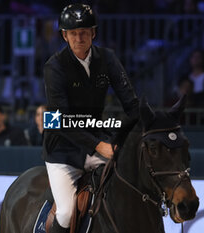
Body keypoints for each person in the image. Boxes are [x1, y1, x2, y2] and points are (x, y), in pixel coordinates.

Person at [43, 4, 139, 232]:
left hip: (98, 138)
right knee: (66, 214)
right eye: (73, 33)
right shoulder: (54, 67)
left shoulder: (107, 58)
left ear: (93, 33)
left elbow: (132, 105)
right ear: (64, 36)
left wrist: (134, 131)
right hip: (63, 149)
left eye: (84, 32)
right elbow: (61, 120)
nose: (79, 38)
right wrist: (100, 146)